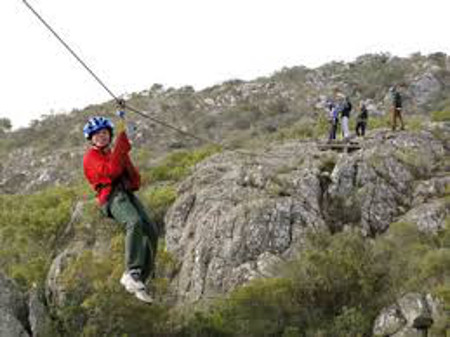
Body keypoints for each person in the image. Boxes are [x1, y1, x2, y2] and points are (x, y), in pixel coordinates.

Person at [82, 110, 158, 304]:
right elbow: (111, 171)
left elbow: (134, 179)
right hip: (111, 198)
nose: (102, 136)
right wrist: (121, 147)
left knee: (151, 230)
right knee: (133, 222)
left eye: (105, 133)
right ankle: (131, 272)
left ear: (109, 135)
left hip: (126, 194)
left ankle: (141, 277)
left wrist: (122, 151)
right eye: (97, 134)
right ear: (91, 138)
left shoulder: (114, 153)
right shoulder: (91, 157)